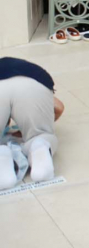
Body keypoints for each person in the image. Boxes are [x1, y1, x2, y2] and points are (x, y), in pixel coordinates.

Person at [0, 58, 62, 188]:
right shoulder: (22, 68)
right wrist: (37, 127)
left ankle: (2, 155)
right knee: (41, 135)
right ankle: (39, 146)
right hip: (35, 83)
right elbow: (59, 107)